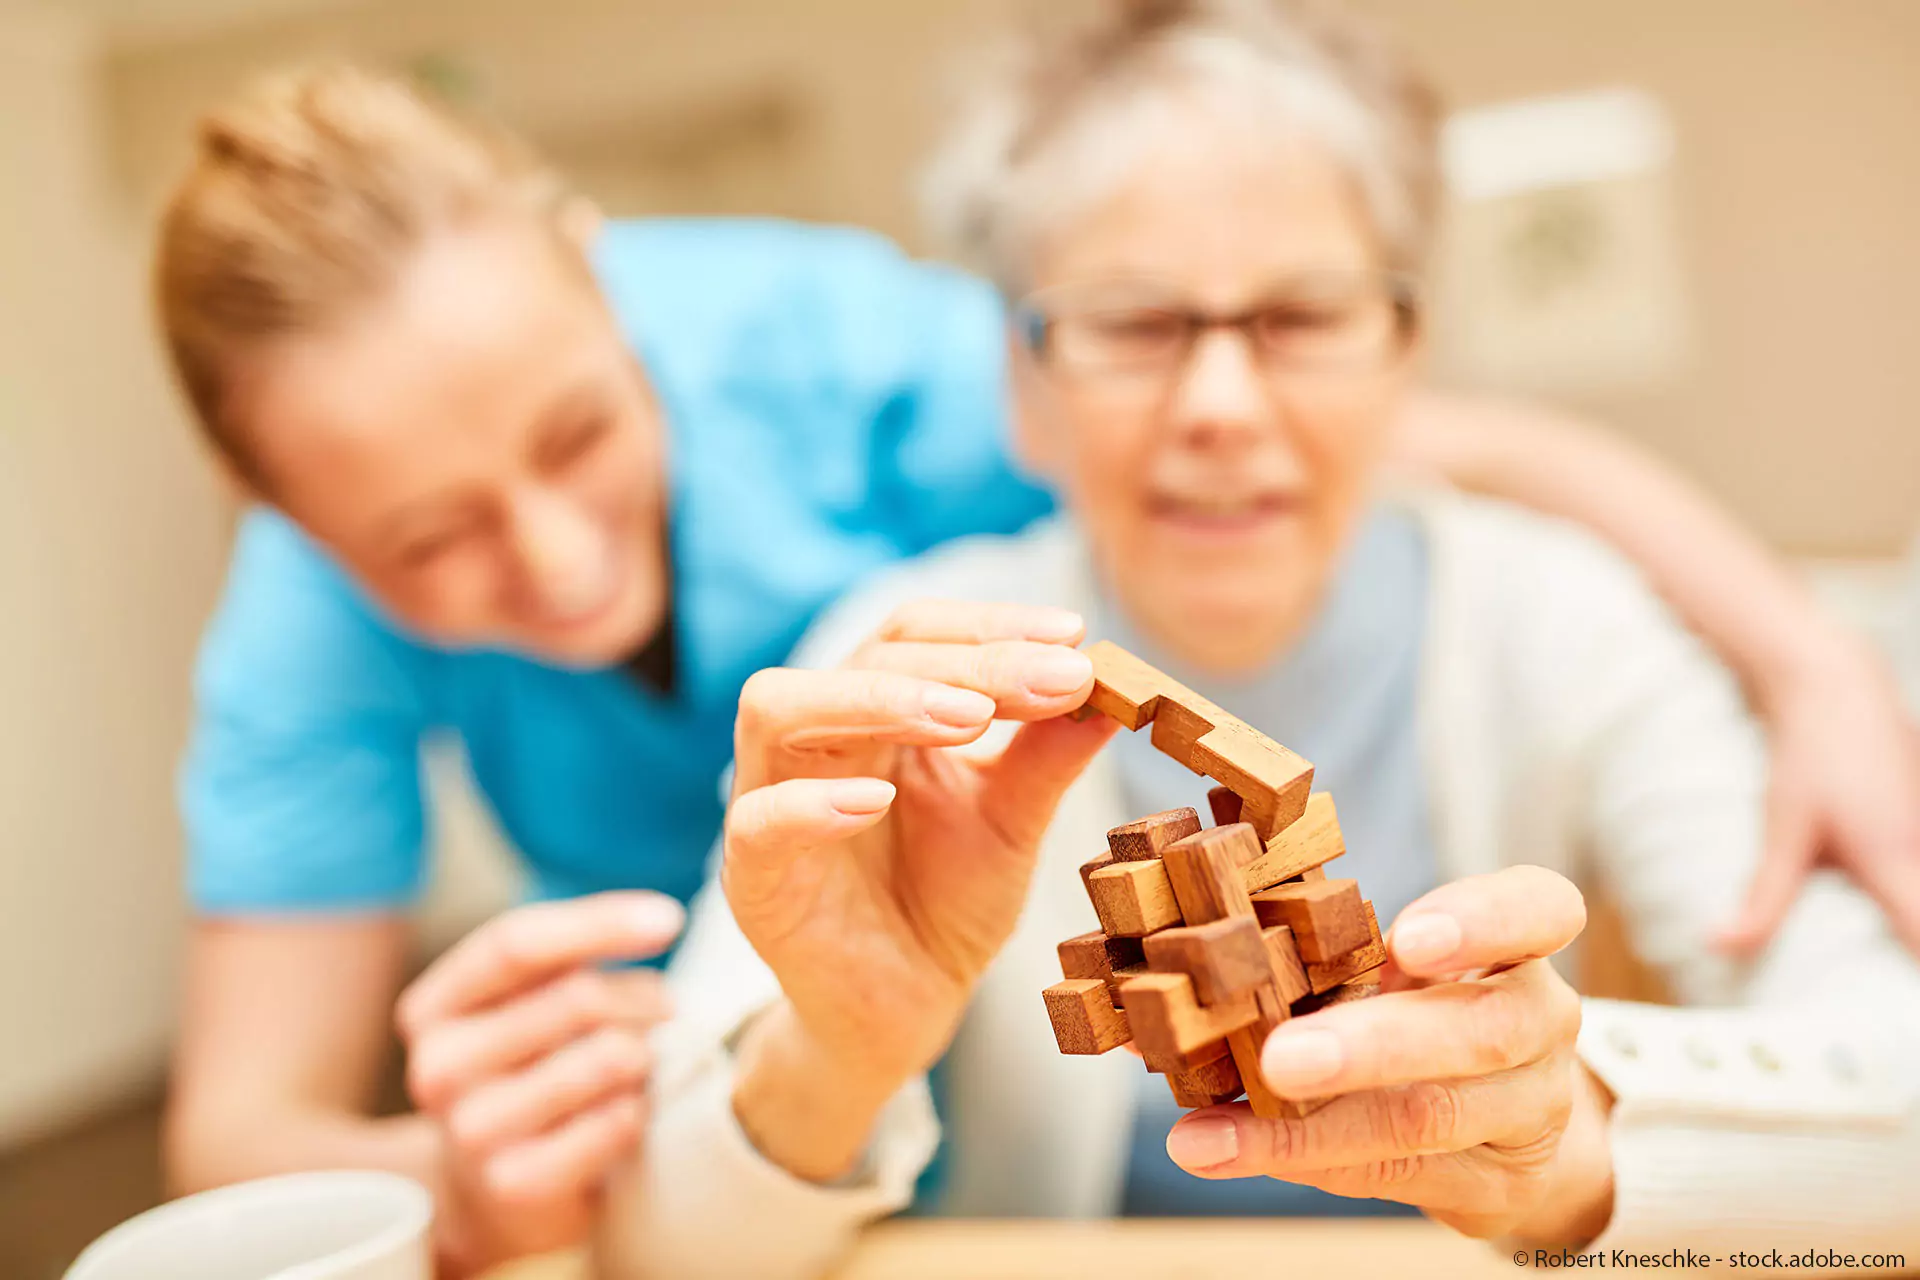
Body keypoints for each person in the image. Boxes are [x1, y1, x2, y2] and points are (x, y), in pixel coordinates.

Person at [154, 56, 1917, 1278]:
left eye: (1304, 316)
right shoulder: (897, 647)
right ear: (1016, 381)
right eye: (1135, 328)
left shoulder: (1565, 626)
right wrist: (828, 1052)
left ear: (1402, 349)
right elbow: (657, 1224)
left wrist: (1579, 1136)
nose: (1222, 405)